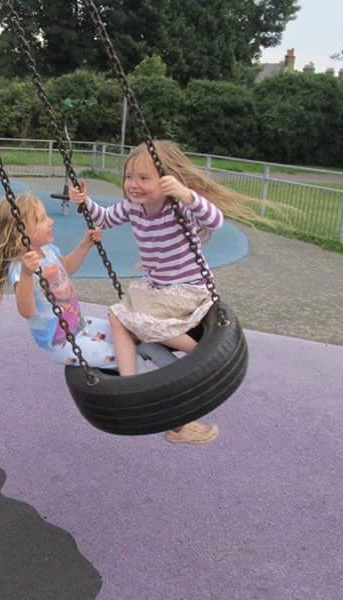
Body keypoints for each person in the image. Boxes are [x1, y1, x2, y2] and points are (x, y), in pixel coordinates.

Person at [69, 140, 258, 445]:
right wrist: (84, 201)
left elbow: (215, 220)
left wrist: (186, 194)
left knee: (127, 320)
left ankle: (204, 357)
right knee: (123, 322)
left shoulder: (179, 207)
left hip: (186, 290)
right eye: (129, 177)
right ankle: (136, 393)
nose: (133, 184)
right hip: (158, 290)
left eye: (144, 178)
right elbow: (103, 218)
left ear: (166, 181)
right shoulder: (133, 208)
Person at [0, 192, 134, 371]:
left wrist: (84, 245)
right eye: (42, 219)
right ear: (20, 232)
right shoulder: (20, 267)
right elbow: (27, 311)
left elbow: (66, 269)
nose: (51, 221)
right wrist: (27, 274)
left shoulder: (48, 250)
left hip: (80, 325)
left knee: (127, 336)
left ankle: (145, 378)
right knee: (124, 356)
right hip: (63, 342)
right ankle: (139, 383)